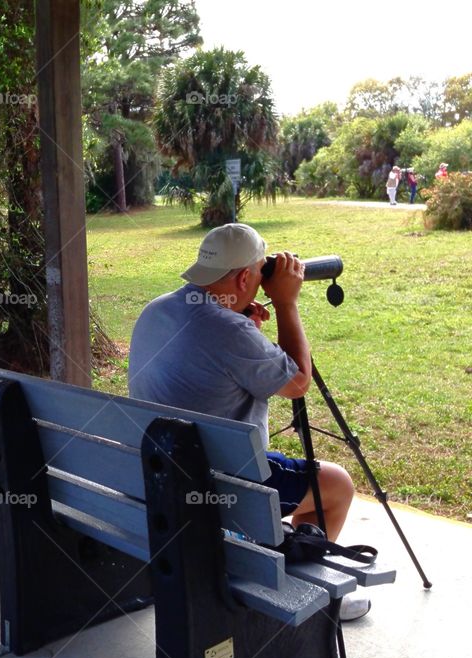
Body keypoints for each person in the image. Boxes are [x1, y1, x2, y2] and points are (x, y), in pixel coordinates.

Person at [128, 223, 370, 621]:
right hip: (217, 486)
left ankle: (275, 561)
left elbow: (210, 355)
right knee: (338, 485)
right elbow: (297, 384)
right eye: (260, 274)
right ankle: (307, 592)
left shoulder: (158, 309)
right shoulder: (229, 329)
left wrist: (243, 321)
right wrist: (287, 304)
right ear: (244, 277)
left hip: (156, 473)